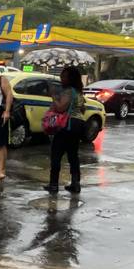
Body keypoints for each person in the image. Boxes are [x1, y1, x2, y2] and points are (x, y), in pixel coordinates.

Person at [44, 66, 87, 194]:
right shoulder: (79, 92)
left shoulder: (68, 91)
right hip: (78, 124)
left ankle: (53, 185)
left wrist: (53, 96)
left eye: (64, 76)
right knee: (73, 155)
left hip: (67, 125)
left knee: (56, 154)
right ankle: (75, 183)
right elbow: (83, 109)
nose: (61, 79)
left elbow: (61, 108)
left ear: (70, 78)